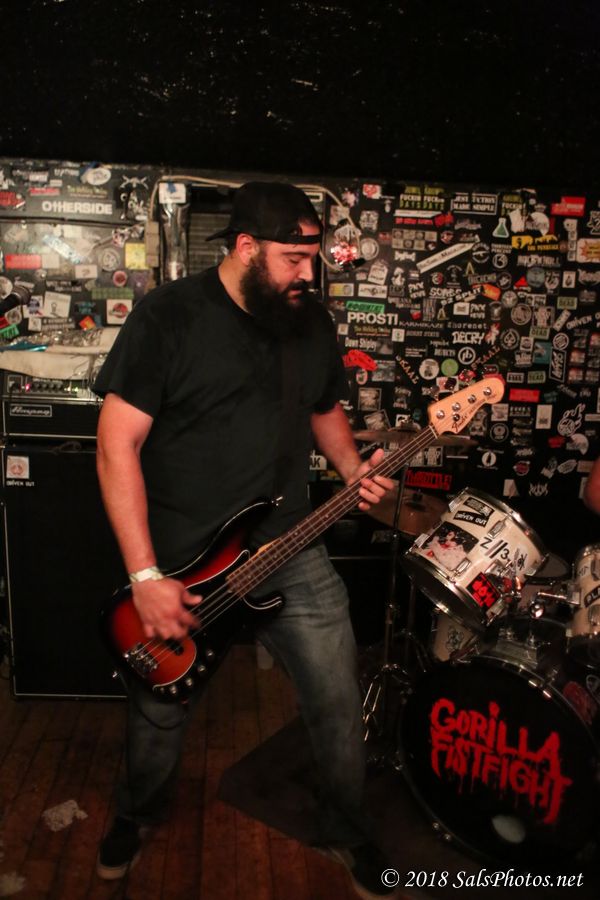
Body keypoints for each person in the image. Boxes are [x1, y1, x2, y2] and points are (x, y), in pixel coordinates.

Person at [93, 181, 397, 900]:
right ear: (246, 246)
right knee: (160, 709)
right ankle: (137, 815)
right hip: (183, 560)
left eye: (313, 257)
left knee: (337, 699)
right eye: (294, 258)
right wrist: (145, 576)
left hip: (290, 545)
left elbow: (323, 406)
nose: (308, 273)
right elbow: (115, 446)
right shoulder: (169, 317)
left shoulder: (307, 319)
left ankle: (346, 828)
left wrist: (353, 469)